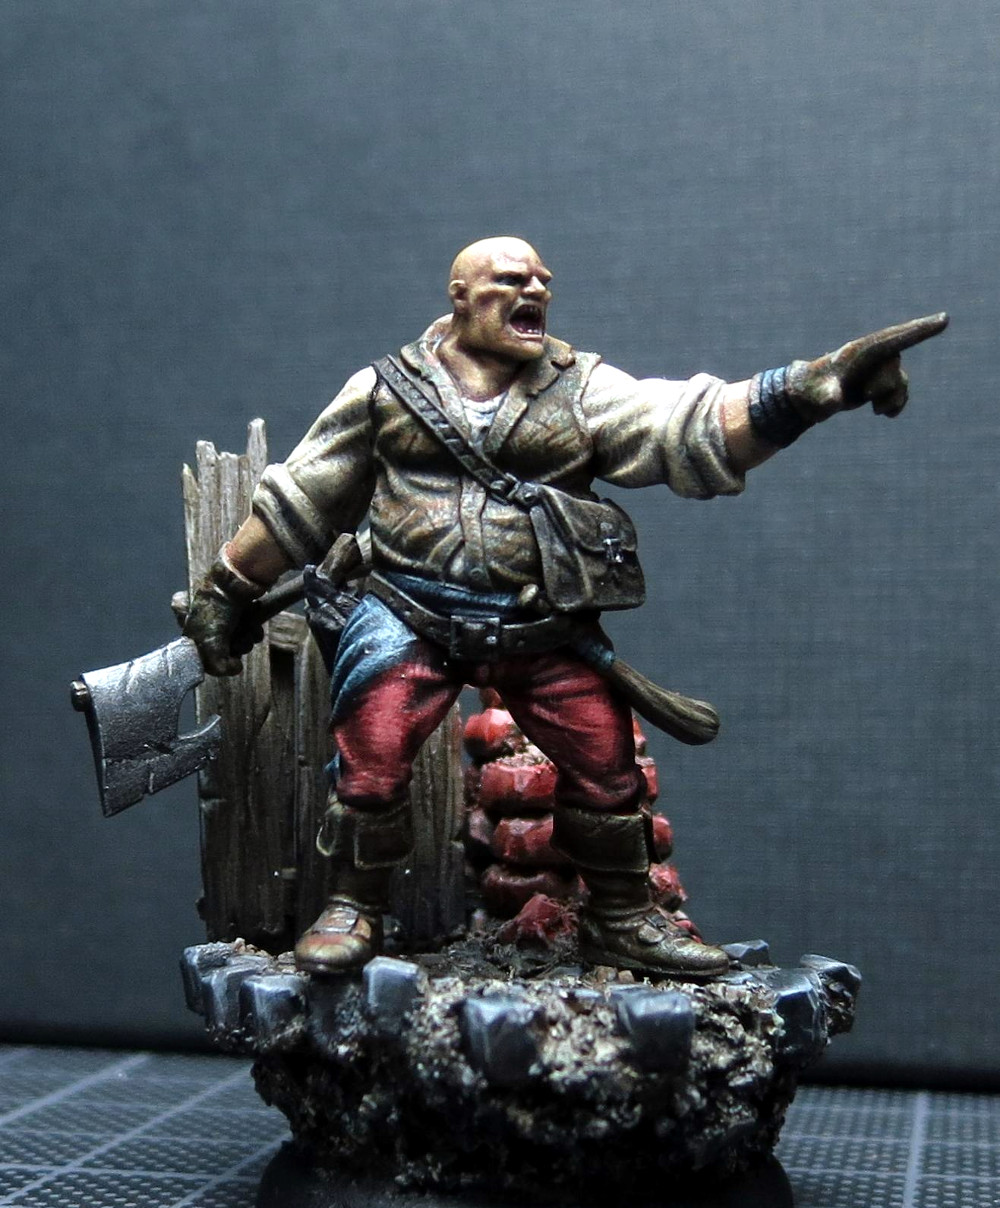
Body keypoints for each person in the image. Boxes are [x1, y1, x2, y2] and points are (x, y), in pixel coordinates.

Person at [182, 236, 946, 978]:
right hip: (409, 611)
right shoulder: (385, 389)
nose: (535, 289)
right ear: (460, 298)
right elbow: (302, 498)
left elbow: (684, 424)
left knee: (605, 758)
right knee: (370, 753)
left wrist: (811, 387)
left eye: (542, 279)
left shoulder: (578, 388)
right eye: (512, 279)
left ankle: (622, 916)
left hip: (539, 626)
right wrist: (227, 590)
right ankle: (354, 902)